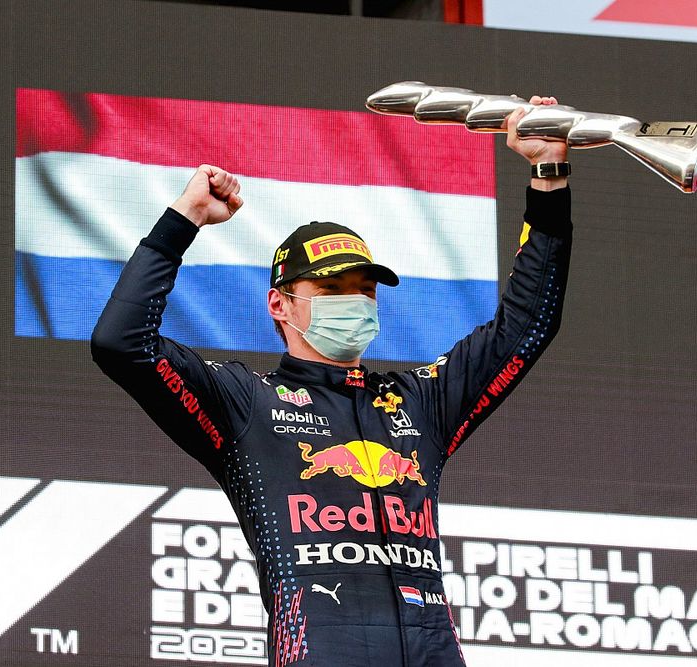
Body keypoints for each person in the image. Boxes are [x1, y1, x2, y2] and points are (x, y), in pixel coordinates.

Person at [91, 98, 572, 666]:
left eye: (365, 290)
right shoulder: (247, 402)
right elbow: (121, 343)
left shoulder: (419, 402)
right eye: (333, 291)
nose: (356, 303)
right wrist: (183, 221)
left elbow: (527, 327)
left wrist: (548, 178)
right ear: (281, 304)